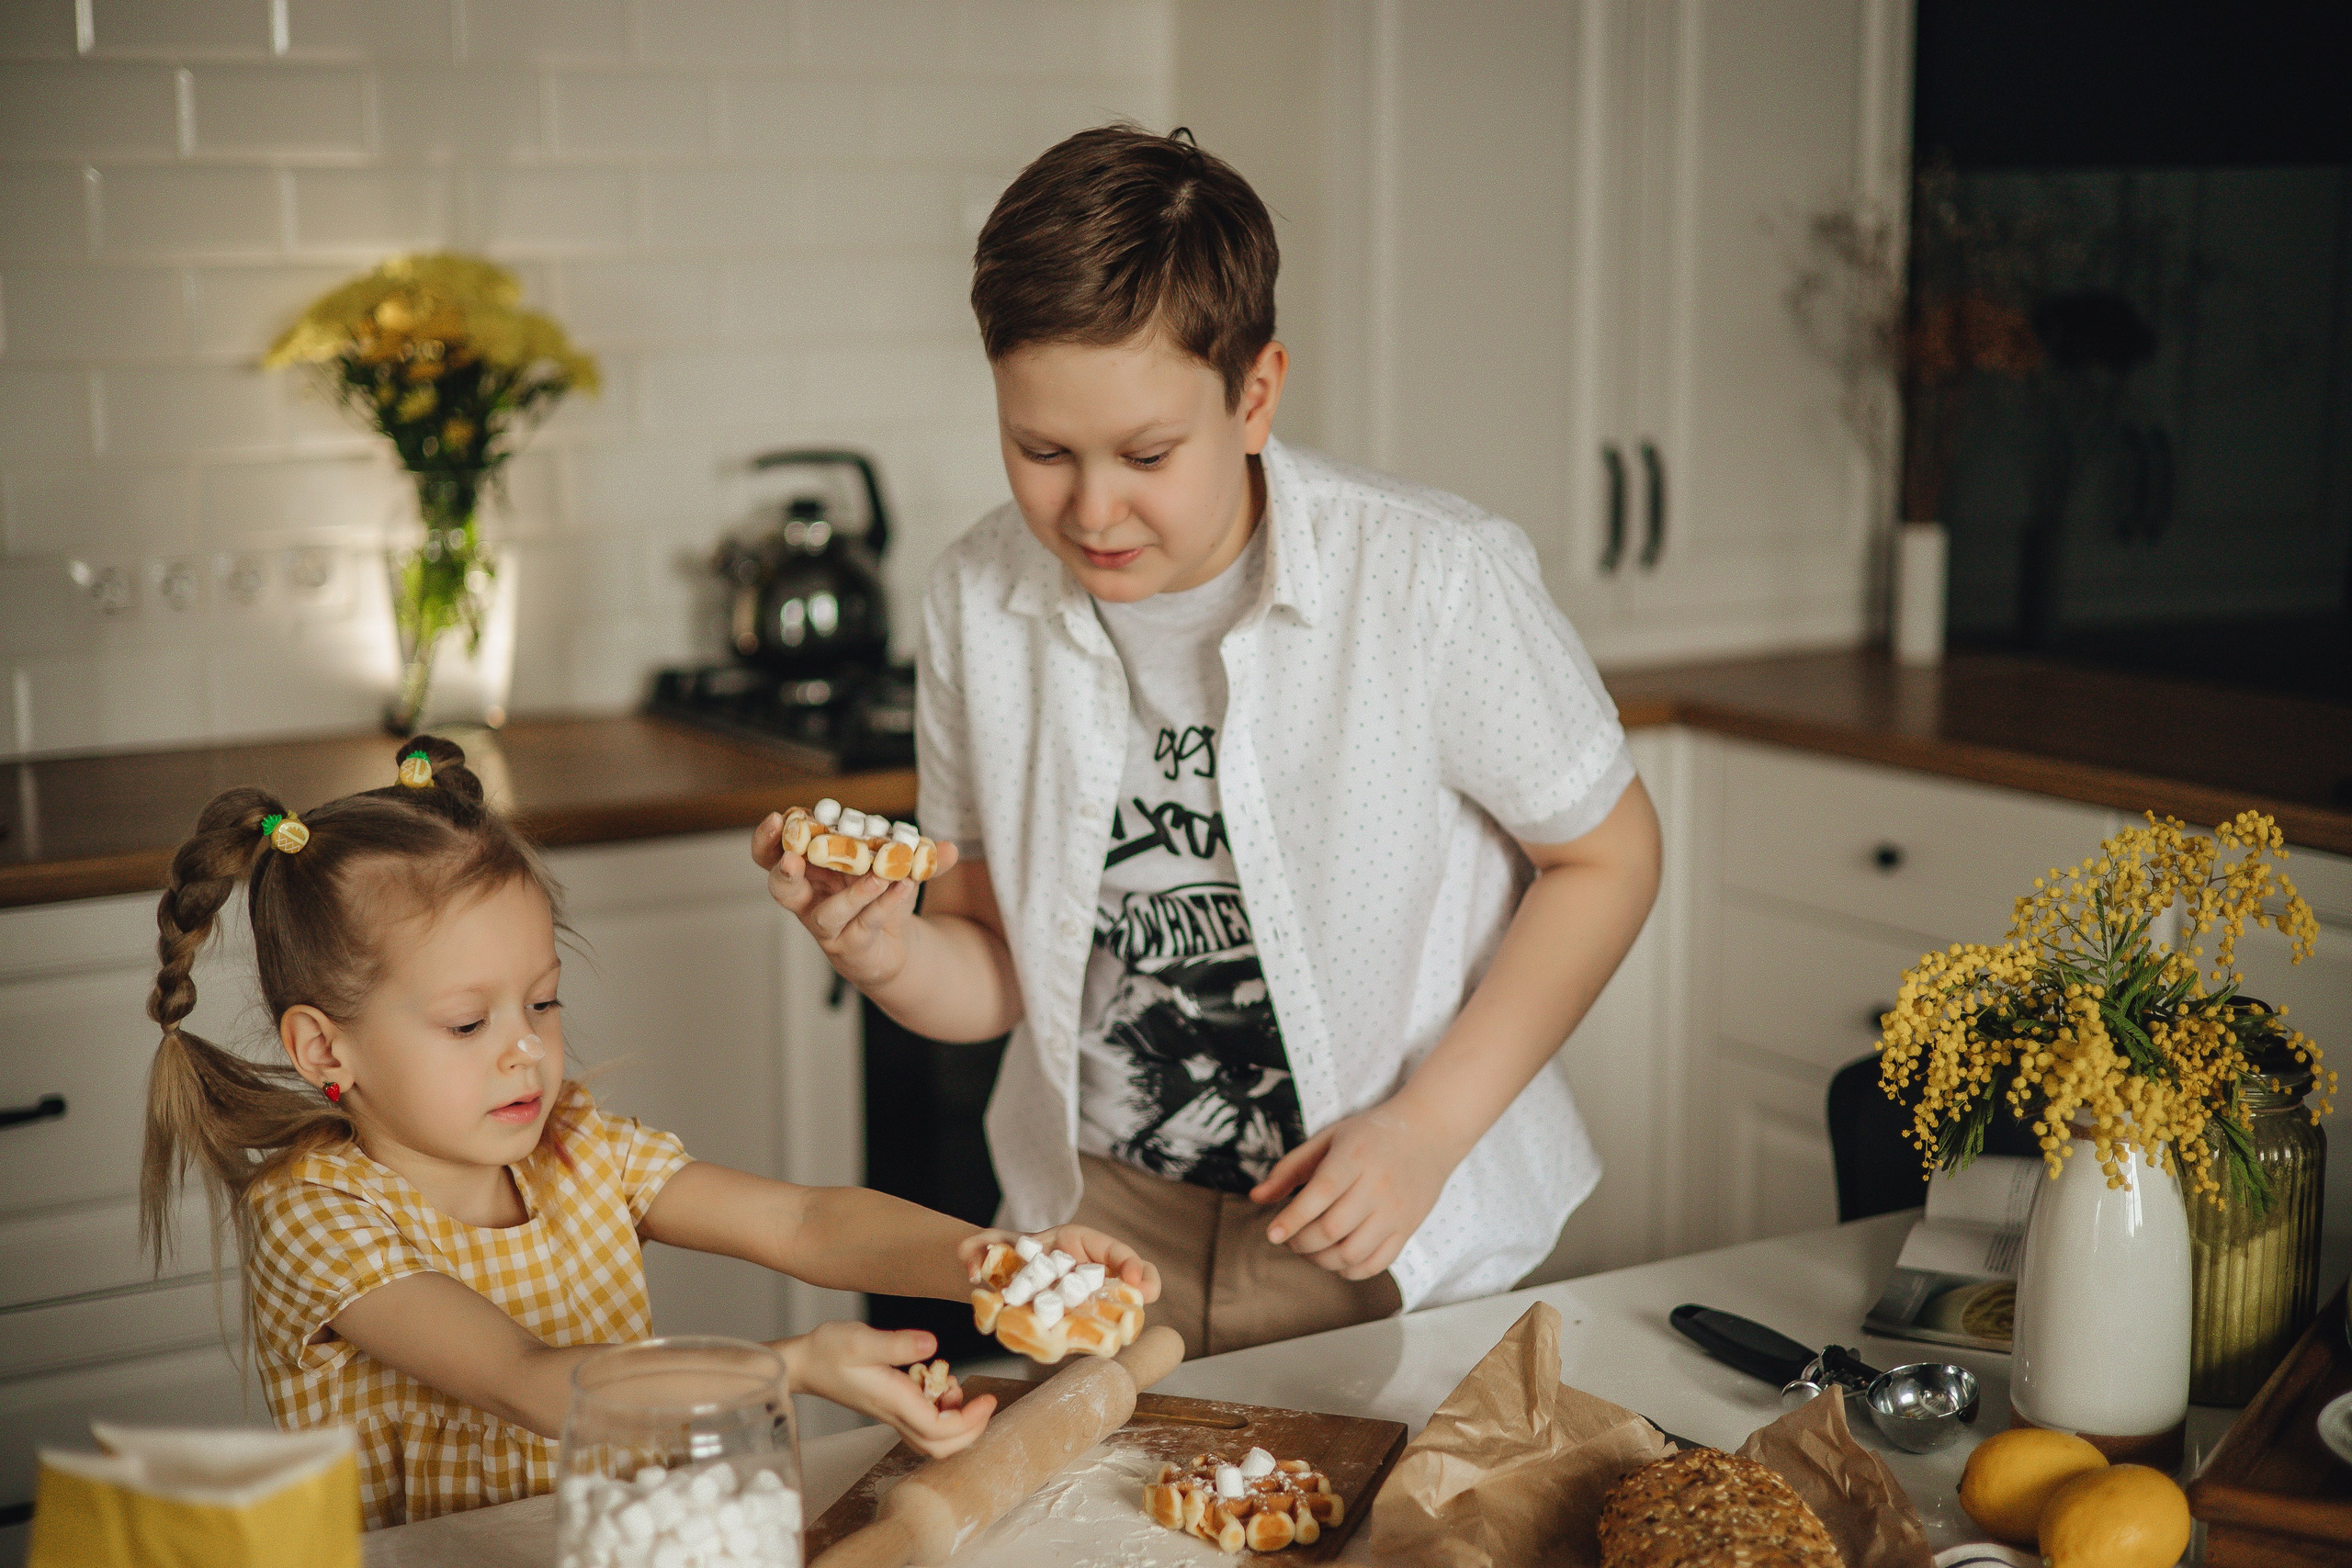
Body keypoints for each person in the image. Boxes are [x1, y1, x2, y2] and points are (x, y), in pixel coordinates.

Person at [755, 125, 1660, 1358]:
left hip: (1390, 1222)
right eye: (1040, 450)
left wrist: (1428, 1131)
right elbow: (996, 963)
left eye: (1146, 454)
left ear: (1255, 395)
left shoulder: (1433, 578)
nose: (1091, 509)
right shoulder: (975, 595)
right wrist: (883, 949)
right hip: (1096, 1223)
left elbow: (1610, 858)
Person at [139, 736, 1156, 1529]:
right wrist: (793, 1368)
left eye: (542, 1003)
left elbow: (804, 1222)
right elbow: (534, 1382)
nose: (525, 1051)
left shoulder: (577, 1151)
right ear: (325, 1049)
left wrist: (1002, 1265)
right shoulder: (313, 1218)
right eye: (467, 1023)